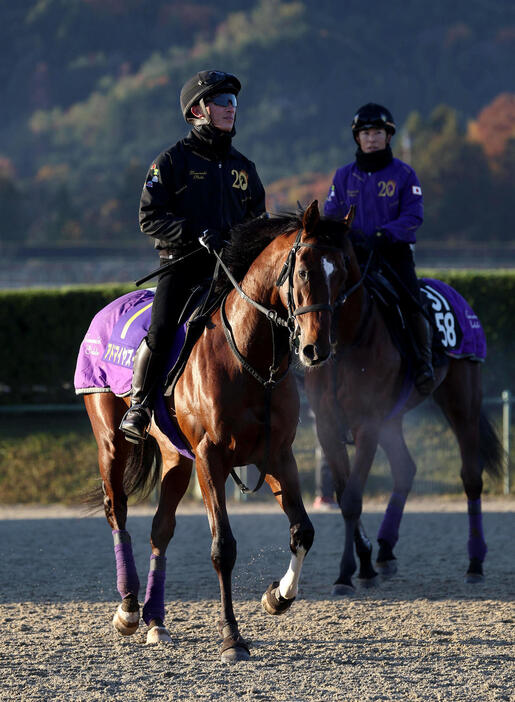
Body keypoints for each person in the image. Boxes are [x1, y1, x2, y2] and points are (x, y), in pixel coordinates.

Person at [120, 70, 266, 443]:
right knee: (163, 328)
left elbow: (258, 223)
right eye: (222, 102)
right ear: (197, 111)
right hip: (182, 266)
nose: (231, 109)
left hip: (231, 271)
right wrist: (192, 234)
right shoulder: (170, 162)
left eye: (233, 102)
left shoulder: (245, 169)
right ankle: (140, 405)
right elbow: (148, 217)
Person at [324, 102, 434, 395]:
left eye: (377, 132)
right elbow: (332, 215)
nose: (371, 138)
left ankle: (424, 363)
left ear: (388, 136)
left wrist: (384, 234)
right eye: (365, 133)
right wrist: (349, 237)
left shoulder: (405, 174)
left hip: (393, 254)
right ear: (357, 138)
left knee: (412, 301)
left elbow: (414, 216)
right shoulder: (343, 176)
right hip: (353, 256)